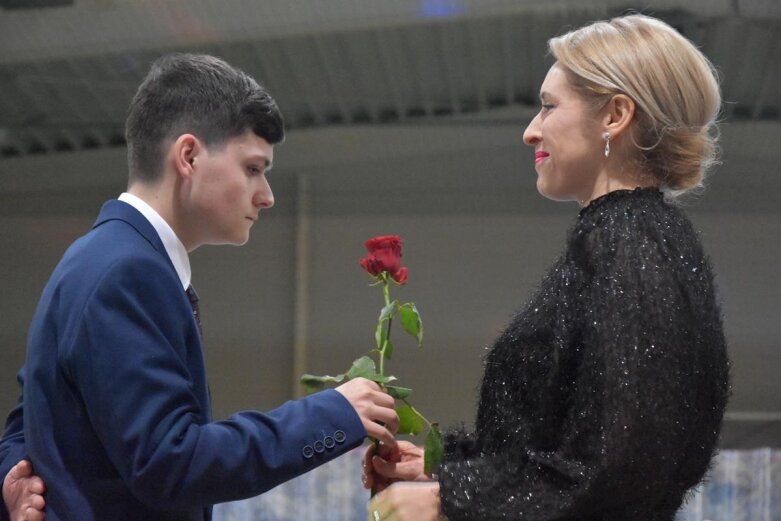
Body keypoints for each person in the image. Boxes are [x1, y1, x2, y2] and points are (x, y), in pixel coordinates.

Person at [0, 53, 399, 521]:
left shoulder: (94, 257)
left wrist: (12, 478)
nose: (267, 194)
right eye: (253, 168)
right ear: (188, 156)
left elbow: (26, 428)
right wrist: (331, 414)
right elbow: (168, 463)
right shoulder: (128, 273)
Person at [365, 14, 730, 521]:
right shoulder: (630, 239)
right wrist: (444, 469)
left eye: (548, 106)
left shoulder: (632, 243)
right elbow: (565, 444)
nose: (530, 132)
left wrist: (447, 497)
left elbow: (623, 466)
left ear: (615, 115)